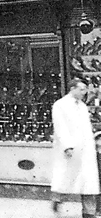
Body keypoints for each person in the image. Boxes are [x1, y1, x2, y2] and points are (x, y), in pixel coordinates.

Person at [52, 78, 100, 217]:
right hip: (71, 149)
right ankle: (57, 199)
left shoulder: (83, 106)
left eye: (85, 89)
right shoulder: (60, 105)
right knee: (66, 178)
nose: (84, 92)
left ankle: (89, 212)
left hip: (86, 150)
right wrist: (67, 146)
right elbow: (60, 126)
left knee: (89, 182)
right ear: (72, 89)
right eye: (81, 89)